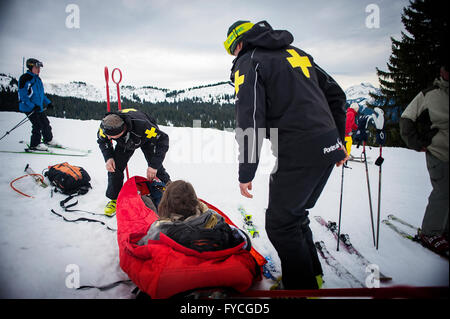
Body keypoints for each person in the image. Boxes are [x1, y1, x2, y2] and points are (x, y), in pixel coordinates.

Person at [224, 20, 348, 289]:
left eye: (231, 49)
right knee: (294, 215)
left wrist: (246, 171)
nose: (233, 55)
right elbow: (337, 95)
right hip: (326, 147)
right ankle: (311, 277)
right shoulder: (297, 53)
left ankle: (301, 289)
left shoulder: (250, 61)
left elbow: (250, 119)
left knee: (280, 224)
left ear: (239, 43)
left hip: (298, 149)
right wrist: (339, 142)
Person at [400, 64, 449, 257]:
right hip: (439, 151)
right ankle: (431, 232)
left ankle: (444, 231)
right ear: (442, 71)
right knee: (443, 191)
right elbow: (406, 118)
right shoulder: (430, 94)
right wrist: (416, 142)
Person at [137, 180, 250, 252]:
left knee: (148, 202)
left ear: (165, 204)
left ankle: (145, 197)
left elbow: (142, 248)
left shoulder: (161, 230)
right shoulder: (214, 218)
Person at [97, 108, 171, 216]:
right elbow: (102, 140)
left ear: (121, 131)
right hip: (125, 142)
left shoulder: (144, 126)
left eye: (111, 136)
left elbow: (163, 140)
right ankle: (114, 199)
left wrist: (154, 166)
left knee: (155, 167)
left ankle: (170, 189)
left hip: (145, 138)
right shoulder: (106, 126)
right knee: (114, 167)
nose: (108, 137)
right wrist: (108, 157)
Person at [18, 58, 58, 151]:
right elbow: (23, 96)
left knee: (45, 123)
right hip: (28, 107)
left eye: (39, 68)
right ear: (31, 67)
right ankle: (35, 145)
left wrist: (48, 103)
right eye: (36, 67)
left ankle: (48, 140)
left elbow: (41, 94)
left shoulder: (38, 79)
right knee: (37, 125)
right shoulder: (25, 78)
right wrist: (32, 106)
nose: (39, 70)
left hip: (37, 107)